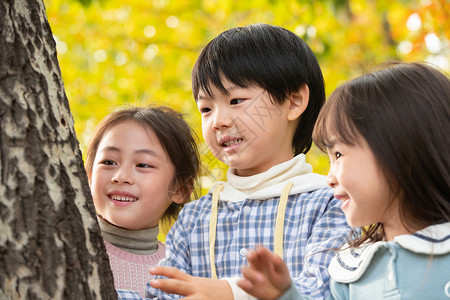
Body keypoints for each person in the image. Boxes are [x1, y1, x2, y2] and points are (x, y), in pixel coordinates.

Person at [145, 23, 351, 300]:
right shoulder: (195, 217)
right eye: (206, 108)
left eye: (236, 100)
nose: (218, 121)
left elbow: (326, 291)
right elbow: (163, 292)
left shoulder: (330, 203)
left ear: (293, 102)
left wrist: (228, 293)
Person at [237, 62, 450, 299]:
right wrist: (285, 295)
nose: (329, 178)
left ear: (402, 151)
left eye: (338, 155)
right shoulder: (350, 268)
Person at [85, 105, 200, 297]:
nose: (120, 176)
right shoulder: (70, 247)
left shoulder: (181, 271)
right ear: (88, 177)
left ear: (180, 189)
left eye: (143, 165)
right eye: (109, 162)